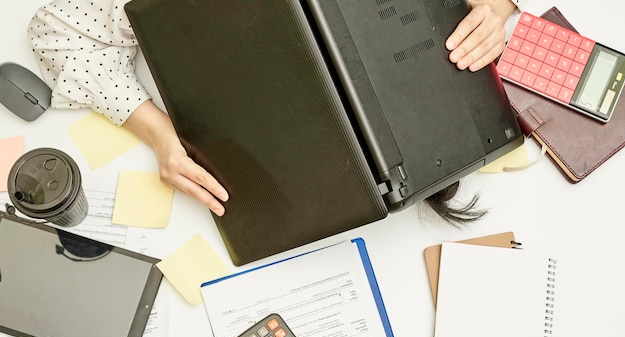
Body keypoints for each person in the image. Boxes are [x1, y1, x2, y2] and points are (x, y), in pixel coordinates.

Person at [27, 0, 524, 222]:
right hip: (282, 164)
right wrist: (159, 133)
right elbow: (54, 32)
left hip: (412, 140)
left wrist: (495, 7)